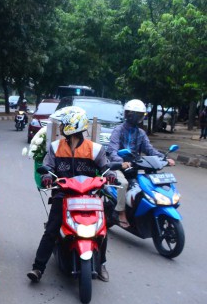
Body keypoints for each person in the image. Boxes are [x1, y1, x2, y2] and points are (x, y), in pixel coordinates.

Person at [27, 106, 116, 283]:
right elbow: (48, 166)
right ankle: (38, 268)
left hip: (90, 196)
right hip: (64, 195)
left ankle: (101, 264)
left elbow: (105, 167)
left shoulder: (95, 149)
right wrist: (46, 176)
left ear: (72, 126)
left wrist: (110, 174)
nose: (61, 128)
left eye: (64, 125)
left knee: (101, 229)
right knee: (51, 229)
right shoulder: (55, 147)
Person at [107, 99, 175, 228]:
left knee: (148, 185)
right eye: (133, 114)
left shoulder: (141, 133)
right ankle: (121, 212)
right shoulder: (118, 130)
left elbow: (150, 150)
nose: (135, 117)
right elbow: (112, 150)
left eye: (138, 115)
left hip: (135, 166)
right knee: (123, 183)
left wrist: (165, 158)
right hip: (118, 166)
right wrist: (121, 162)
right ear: (127, 114)